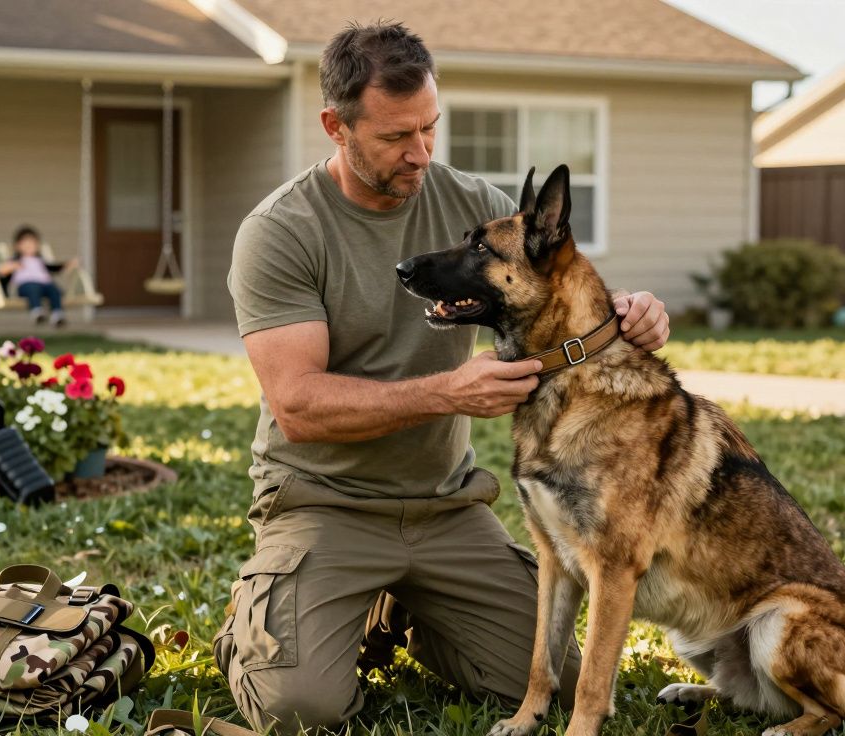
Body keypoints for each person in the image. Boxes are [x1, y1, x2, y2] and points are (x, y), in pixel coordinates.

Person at [218, 22, 671, 733]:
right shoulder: (282, 231)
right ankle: (269, 616)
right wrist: (445, 392)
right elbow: (299, 406)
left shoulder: (467, 204)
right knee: (300, 709)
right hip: (324, 505)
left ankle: (412, 603)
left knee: (554, 673)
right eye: (397, 137)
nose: (421, 153)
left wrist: (633, 314)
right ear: (336, 126)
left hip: (447, 507)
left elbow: (554, 287)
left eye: (431, 128)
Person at [0, 225, 78, 327]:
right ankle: (37, 311)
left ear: (37, 245)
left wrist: (69, 264)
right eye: (25, 243)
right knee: (33, 288)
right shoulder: (16, 261)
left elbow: (54, 268)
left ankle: (57, 314)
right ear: (17, 246)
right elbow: (2, 273)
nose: (29, 246)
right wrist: (10, 268)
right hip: (25, 287)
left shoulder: (40, 261)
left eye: (32, 243)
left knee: (54, 290)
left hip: (44, 286)